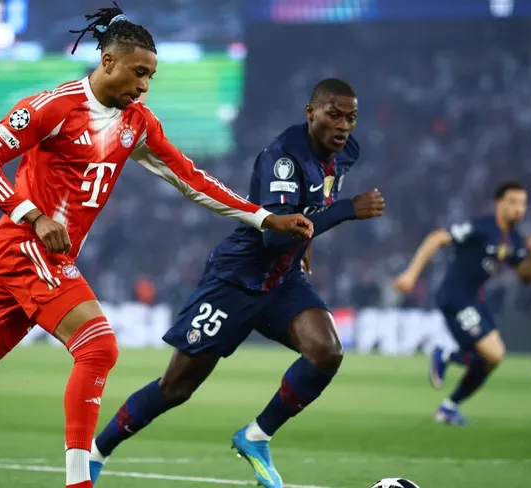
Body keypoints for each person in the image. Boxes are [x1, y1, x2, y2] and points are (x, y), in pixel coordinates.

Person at [0, 5, 314, 488]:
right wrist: (34, 215)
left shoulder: (137, 123)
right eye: (138, 72)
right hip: (23, 245)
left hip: (50, 258)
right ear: (107, 62)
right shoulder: (52, 108)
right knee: (98, 345)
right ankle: (79, 481)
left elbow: (191, 179)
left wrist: (265, 217)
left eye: (151, 76)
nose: (144, 85)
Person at [90, 79, 384, 488]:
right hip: (235, 279)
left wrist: (308, 242)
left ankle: (256, 437)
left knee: (326, 351)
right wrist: (348, 210)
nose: (343, 126)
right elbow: (275, 236)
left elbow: (312, 204)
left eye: (350, 118)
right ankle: (97, 451)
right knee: (176, 388)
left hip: (282, 281)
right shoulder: (283, 159)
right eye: (333, 115)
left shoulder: (345, 153)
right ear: (310, 112)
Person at [394, 182, 531, 425]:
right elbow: (437, 237)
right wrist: (411, 274)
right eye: (513, 202)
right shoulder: (482, 228)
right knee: (492, 353)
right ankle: (446, 356)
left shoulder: (514, 239)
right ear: (499, 204)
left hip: (474, 300)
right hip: (455, 296)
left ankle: (449, 406)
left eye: (523, 203)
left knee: (494, 357)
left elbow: (526, 277)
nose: (519, 208)